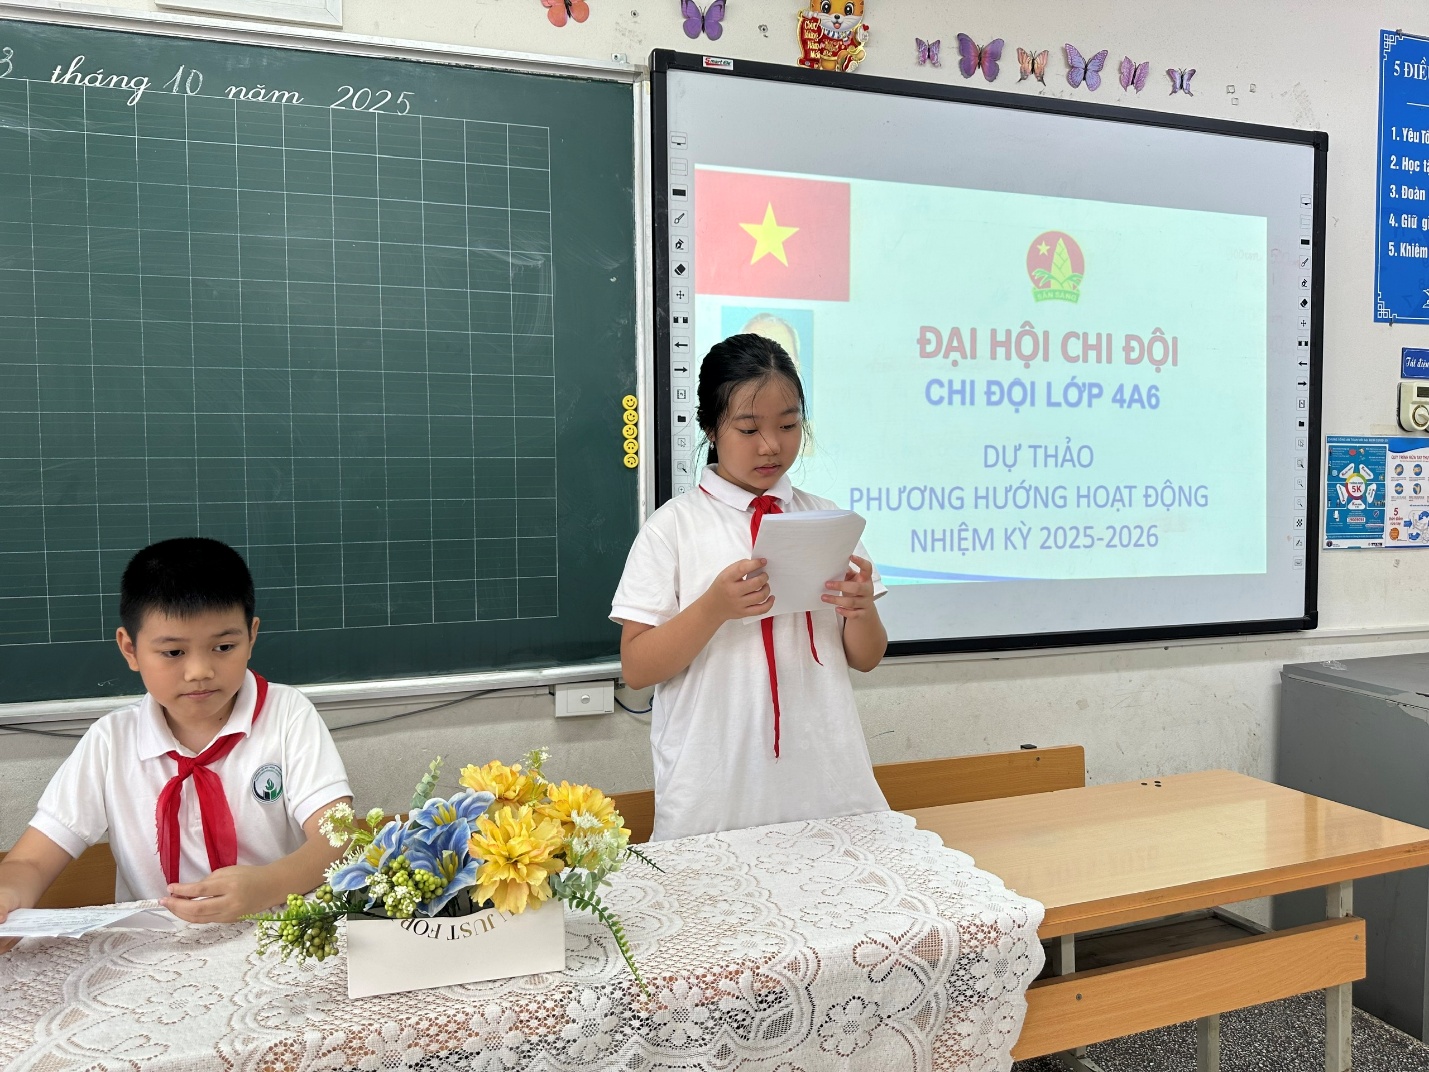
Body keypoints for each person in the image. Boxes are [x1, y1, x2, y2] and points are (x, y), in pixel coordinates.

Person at [0, 538, 352, 942]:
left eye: (224, 646)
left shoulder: (287, 714)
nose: (199, 671)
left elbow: (337, 837)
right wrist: (8, 894)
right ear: (130, 649)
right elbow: (29, 863)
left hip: (275, 937)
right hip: (155, 952)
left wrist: (269, 884)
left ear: (252, 637)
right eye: (173, 653)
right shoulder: (111, 742)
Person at [612, 333, 888, 841]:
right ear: (710, 428)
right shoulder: (673, 528)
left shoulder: (825, 518)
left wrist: (861, 610)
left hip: (826, 779)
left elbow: (866, 658)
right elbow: (637, 669)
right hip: (714, 789)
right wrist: (713, 608)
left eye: (788, 425)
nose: (771, 445)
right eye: (748, 428)